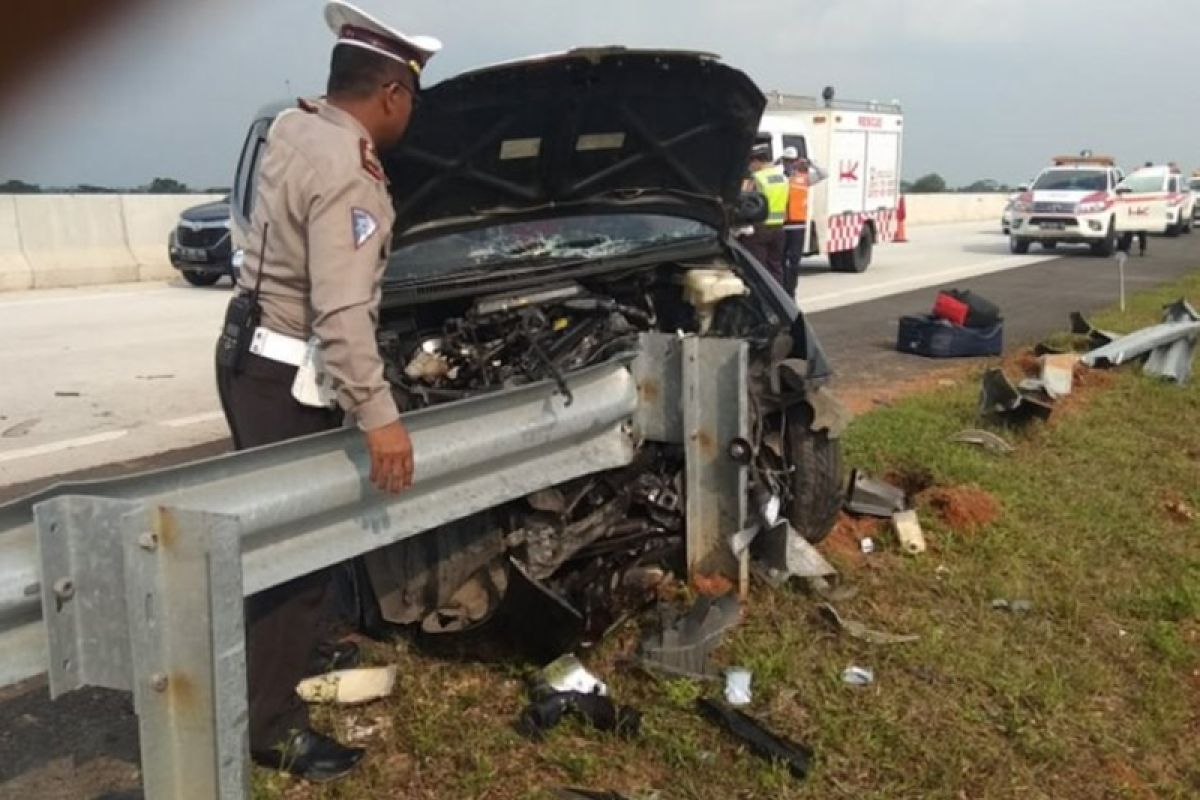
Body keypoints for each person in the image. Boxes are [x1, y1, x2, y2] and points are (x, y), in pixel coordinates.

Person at [214, 0, 440, 782]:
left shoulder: (294, 128)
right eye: (413, 97)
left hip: (249, 354)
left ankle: (294, 655)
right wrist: (382, 421)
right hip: (286, 374)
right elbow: (343, 315)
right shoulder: (352, 173)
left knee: (287, 542)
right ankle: (270, 727)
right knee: (296, 557)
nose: (410, 114)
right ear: (391, 95)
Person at [740, 145, 789, 286]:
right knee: (776, 267)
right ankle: (778, 299)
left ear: (757, 161)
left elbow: (745, 201)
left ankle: (761, 302)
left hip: (759, 229)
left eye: (750, 163)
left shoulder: (757, 178)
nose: (750, 167)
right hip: (779, 228)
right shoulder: (783, 178)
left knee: (757, 268)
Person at [780, 150, 828, 293]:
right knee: (780, 260)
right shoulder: (779, 177)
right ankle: (781, 288)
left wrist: (812, 163)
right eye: (786, 160)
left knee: (794, 261)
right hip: (782, 224)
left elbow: (824, 174)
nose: (789, 163)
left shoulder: (804, 178)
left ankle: (791, 289)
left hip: (797, 225)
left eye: (792, 160)